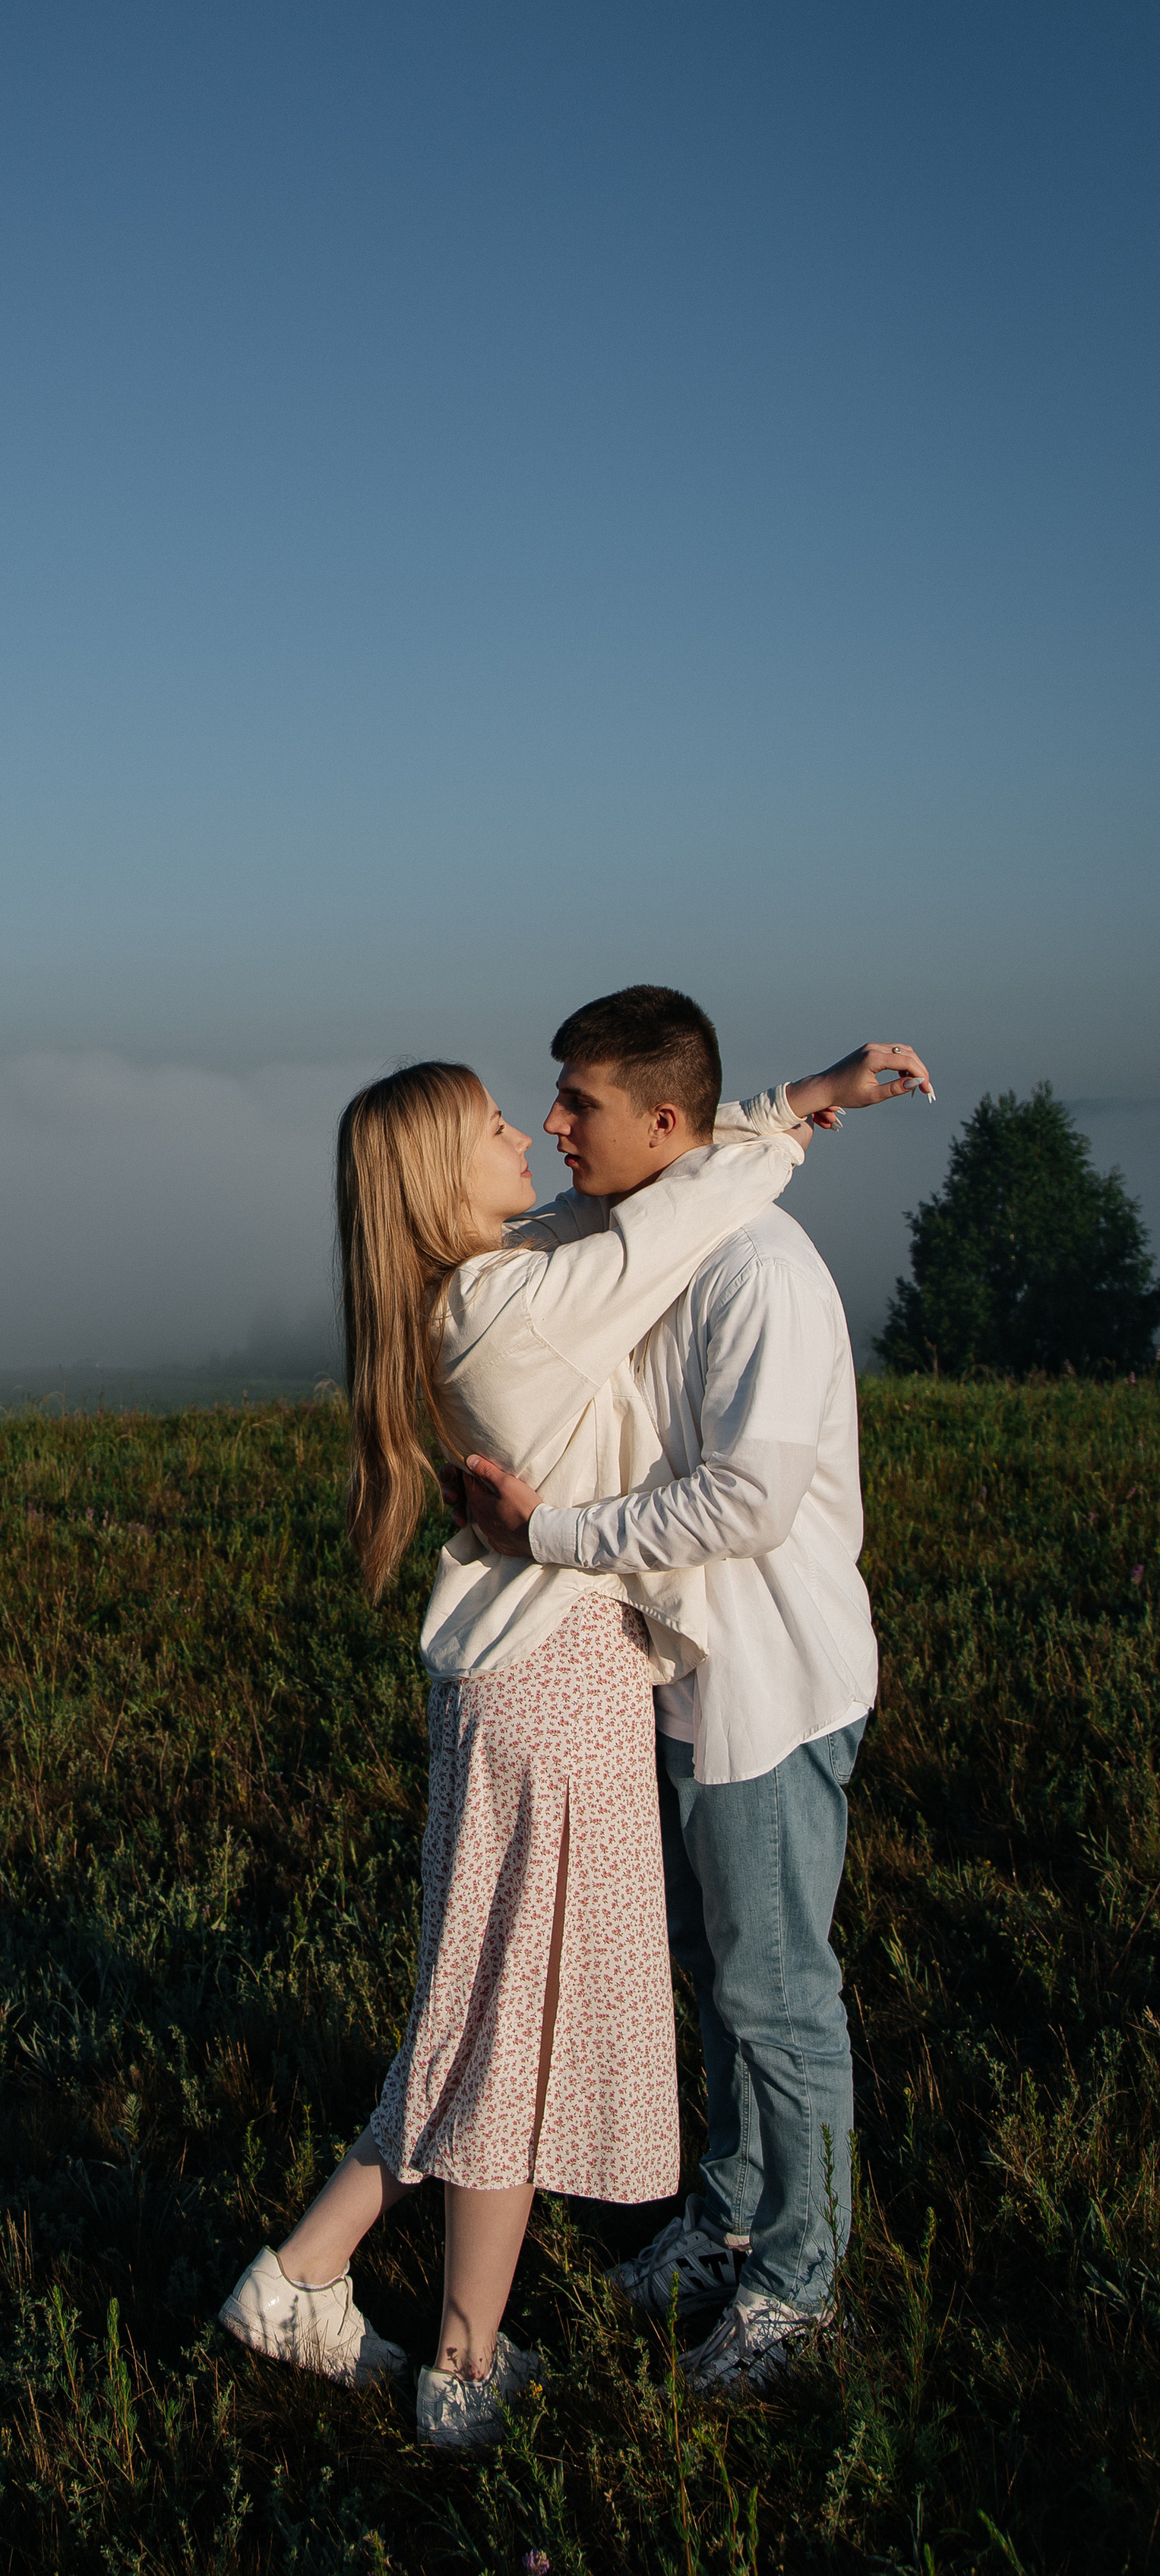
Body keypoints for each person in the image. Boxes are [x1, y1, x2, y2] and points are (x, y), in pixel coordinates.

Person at [218, 1034, 912, 2448]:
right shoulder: (518, 1305)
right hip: (556, 1688)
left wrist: (772, 1114)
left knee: (487, 2013)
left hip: (544, 1682)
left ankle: (310, 2278)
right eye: (494, 1125)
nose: (528, 1134)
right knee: (514, 2029)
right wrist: (799, 1108)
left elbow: (660, 1201)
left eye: (547, 1109)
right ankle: (458, 2363)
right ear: (435, 1179)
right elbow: (670, 1214)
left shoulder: (500, 1276)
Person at [457, 987, 933, 2402]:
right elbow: (689, 1166)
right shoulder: (646, 1234)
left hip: (765, 1685)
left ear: (662, 1122)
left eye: (580, 1102)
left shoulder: (758, 1274)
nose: (554, 1124)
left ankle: (802, 2285)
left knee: (779, 1995)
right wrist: (803, 1099)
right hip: (686, 1674)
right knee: (722, 1976)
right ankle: (729, 2221)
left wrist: (544, 1533)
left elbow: (746, 1500)